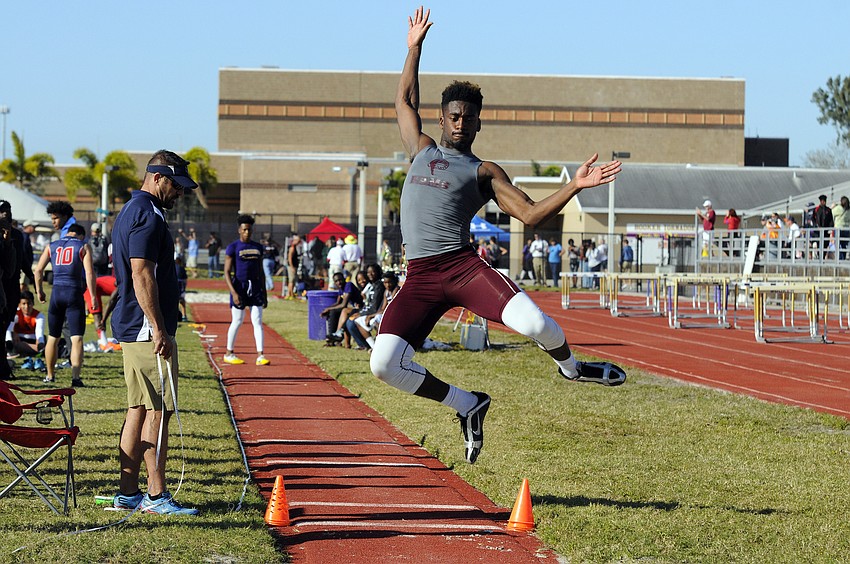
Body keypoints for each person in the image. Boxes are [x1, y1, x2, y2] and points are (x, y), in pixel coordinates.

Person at [370, 7, 626, 465]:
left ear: (478, 122)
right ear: (443, 118)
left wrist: (574, 185)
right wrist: (414, 47)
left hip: (463, 269)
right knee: (383, 364)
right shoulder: (421, 150)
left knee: (536, 326)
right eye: (453, 116)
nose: (460, 123)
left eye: (468, 117)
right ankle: (467, 404)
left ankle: (572, 369)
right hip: (420, 277)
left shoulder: (483, 171)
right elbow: (404, 101)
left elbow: (529, 215)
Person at [108, 149, 200, 515]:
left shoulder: (133, 210)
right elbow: (142, 272)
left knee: (137, 409)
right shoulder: (148, 214)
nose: (180, 193)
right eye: (176, 186)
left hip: (133, 325)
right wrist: (159, 327)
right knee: (157, 411)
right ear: (158, 178)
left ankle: (128, 493)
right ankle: (156, 495)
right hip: (146, 328)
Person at [33, 223, 97, 386]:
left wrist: (39, 291)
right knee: (77, 338)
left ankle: (49, 375)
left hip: (56, 293)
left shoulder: (51, 245)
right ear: (81, 235)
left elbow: (38, 270)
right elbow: (89, 273)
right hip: (74, 293)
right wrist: (93, 295)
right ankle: (75, 378)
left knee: (53, 337)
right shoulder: (83, 246)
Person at [223, 215, 269, 366]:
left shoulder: (258, 247)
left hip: (255, 287)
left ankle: (260, 355)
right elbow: (227, 272)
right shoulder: (233, 247)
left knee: (257, 321)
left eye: (249, 230)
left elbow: (261, 271)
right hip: (239, 287)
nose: (247, 233)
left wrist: (264, 292)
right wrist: (234, 293)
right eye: (244, 230)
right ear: (239, 230)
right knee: (237, 320)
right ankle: (229, 353)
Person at [0, 201, 34, 379]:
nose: (6, 215)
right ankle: (4, 367)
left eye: (8, 211)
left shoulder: (18, 236)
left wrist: (34, 279)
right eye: (2, 212)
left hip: (11, 289)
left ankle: (4, 366)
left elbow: (22, 261)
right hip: (2, 287)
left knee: (4, 325)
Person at [321, 271, 363, 346]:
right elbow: (338, 303)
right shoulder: (341, 289)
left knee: (339, 311)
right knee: (333, 312)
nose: (339, 282)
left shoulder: (348, 285)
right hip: (354, 309)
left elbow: (343, 304)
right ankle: (332, 339)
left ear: (344, 279)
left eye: (340, 280)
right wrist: (327, 308)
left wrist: (329, 309)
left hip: (360, 308)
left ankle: (337, 336)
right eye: (336, 281)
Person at [83, 273, 120, 351]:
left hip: (99, 285)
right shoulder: (121, 285)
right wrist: (104, 320)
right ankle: (104, 342)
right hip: (91, 288)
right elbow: (111, 302)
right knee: (97, 314)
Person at [5, 290, 45, 363]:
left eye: (29, 303)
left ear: (33, 303)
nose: (26, 307)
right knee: (13, 341)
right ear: (19, 305)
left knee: (44, 345)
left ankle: (39, 351)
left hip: (33, 341)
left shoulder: (39, 316)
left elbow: (39, 333)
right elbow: (8, 328)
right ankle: (11, 350)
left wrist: (40, 343)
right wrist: (12, 335)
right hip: (18, 340)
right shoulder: (16, 314)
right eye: (23, 304)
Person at [285, 234, 304, 300]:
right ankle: (289, 294)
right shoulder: (292, 248)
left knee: (293, 281)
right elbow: (289, 258)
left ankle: (291, 294)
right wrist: (292, 267)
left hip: (294, 266)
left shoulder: (295, 247)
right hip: (291, 266)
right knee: (291, 280)